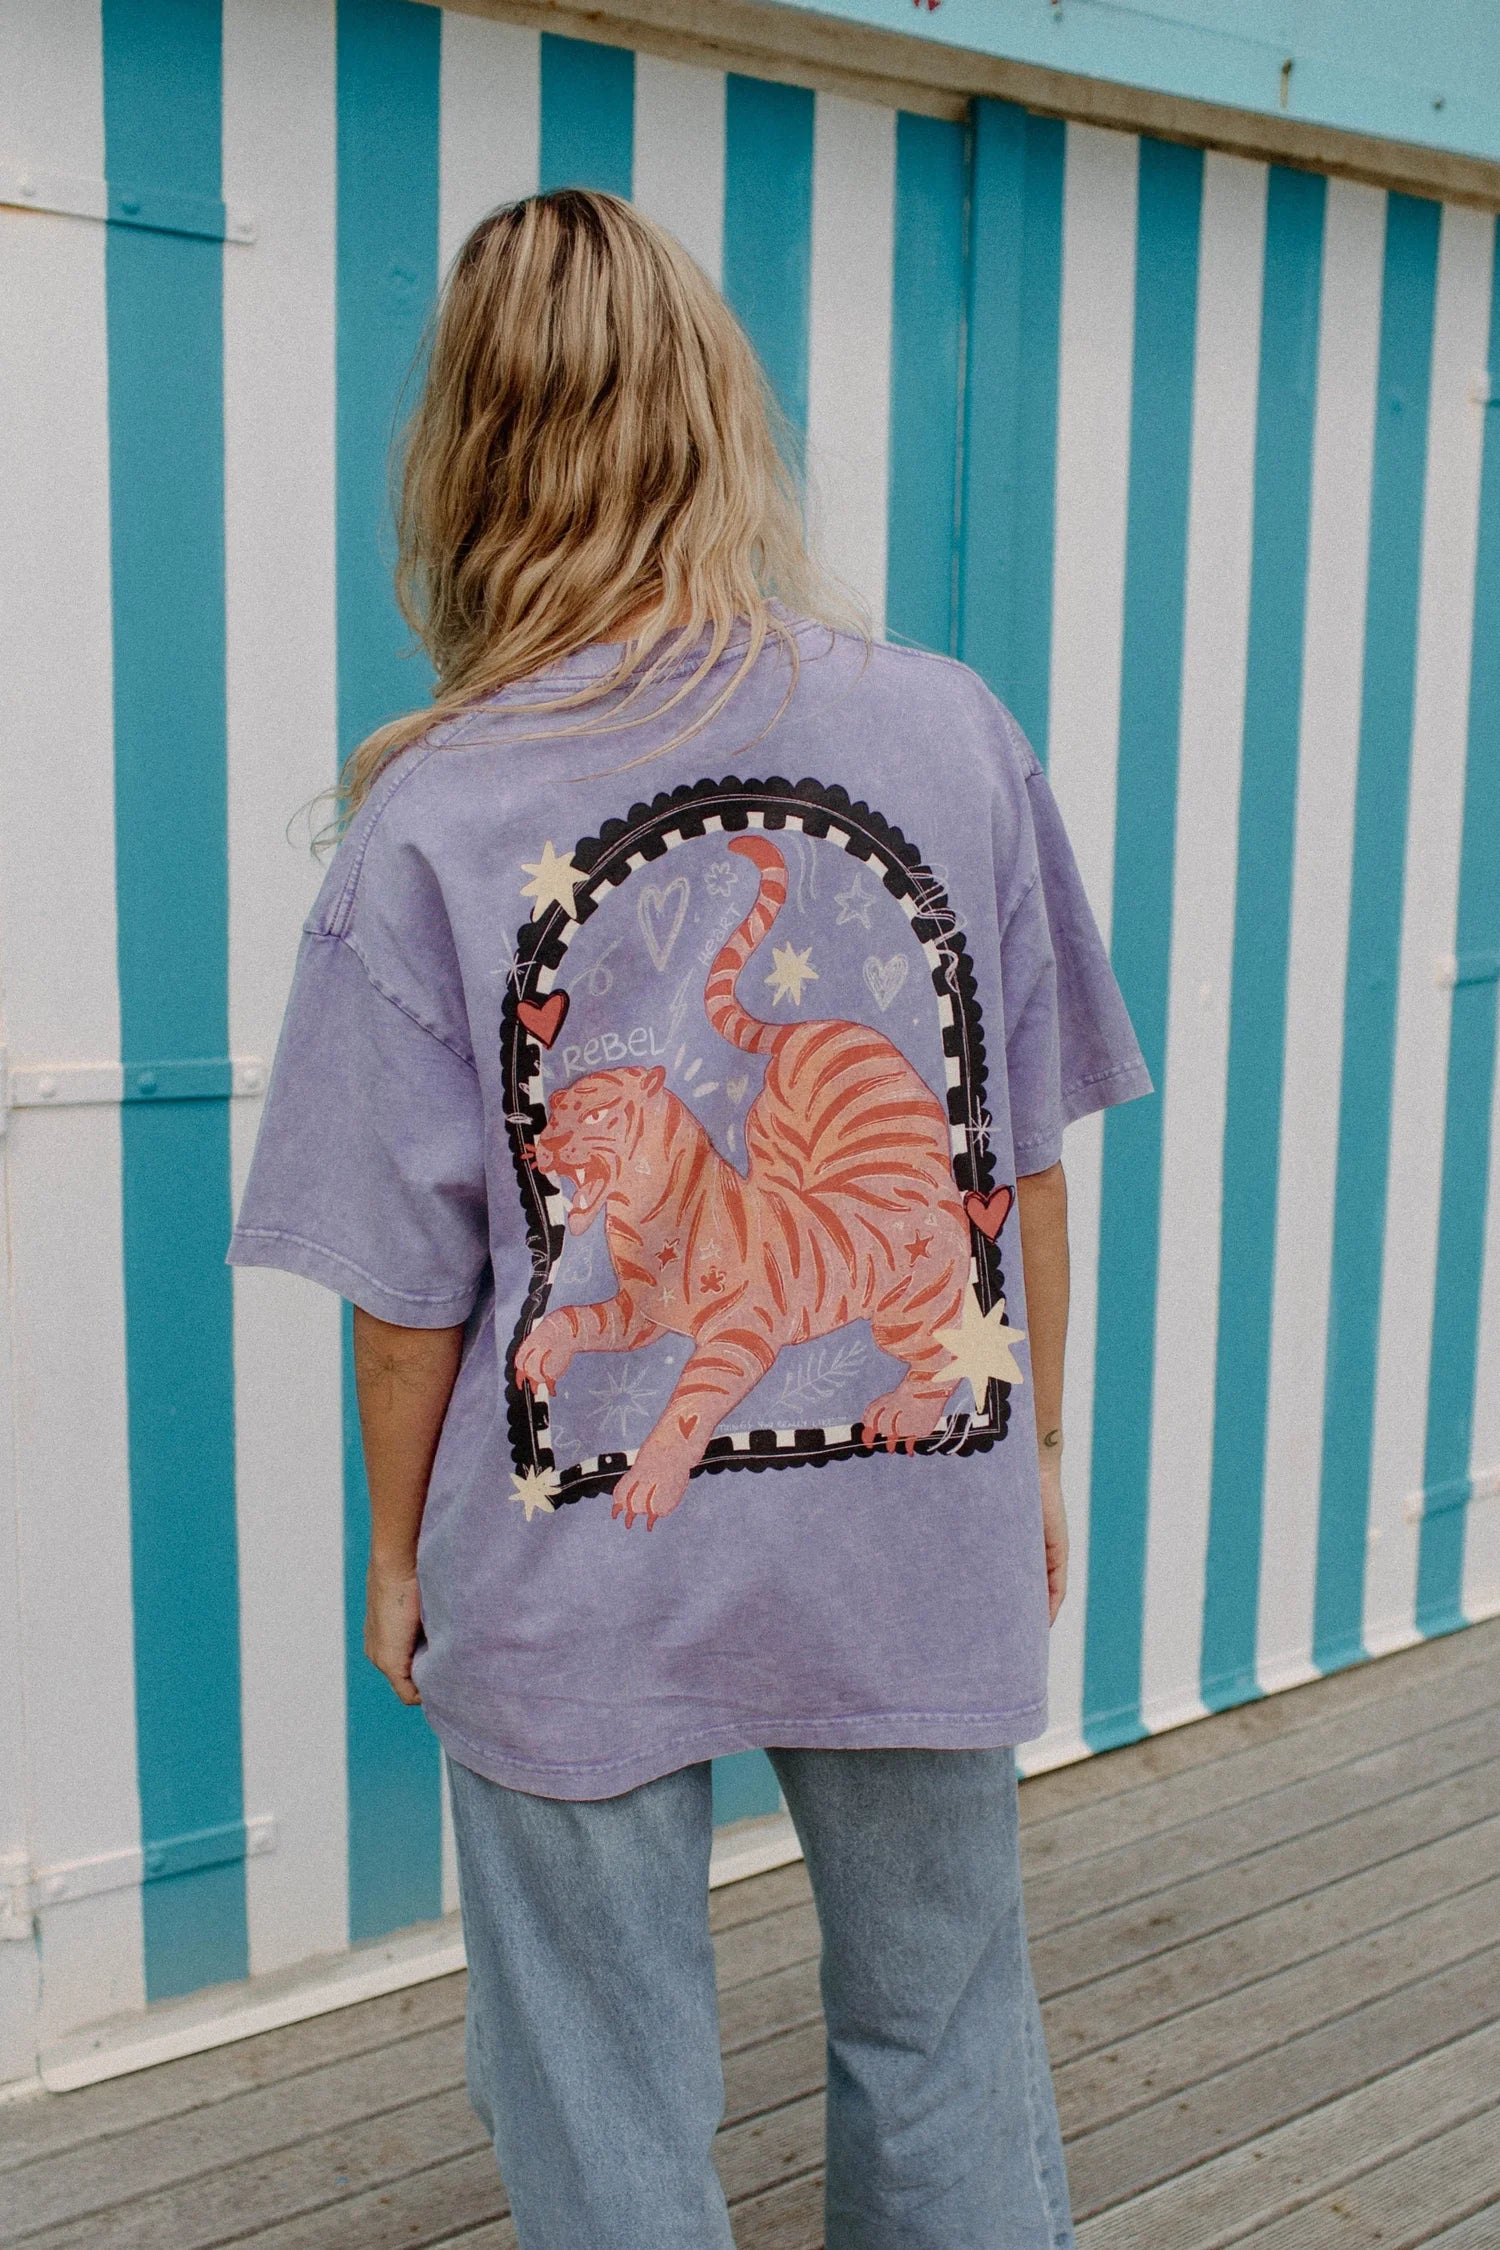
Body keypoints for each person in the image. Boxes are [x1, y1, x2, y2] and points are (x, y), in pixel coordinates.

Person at [229, 188, 1149, 2250]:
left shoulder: (436, 811)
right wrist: (1033, 1449)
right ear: (723, 413)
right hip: (919, 1502)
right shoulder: (951, 730)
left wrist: (397, 1552)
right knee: (945, 2037)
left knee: (599, 2090)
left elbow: (409, 1291)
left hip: (573, 1561)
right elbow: (1015, 1158)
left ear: (470, 458)